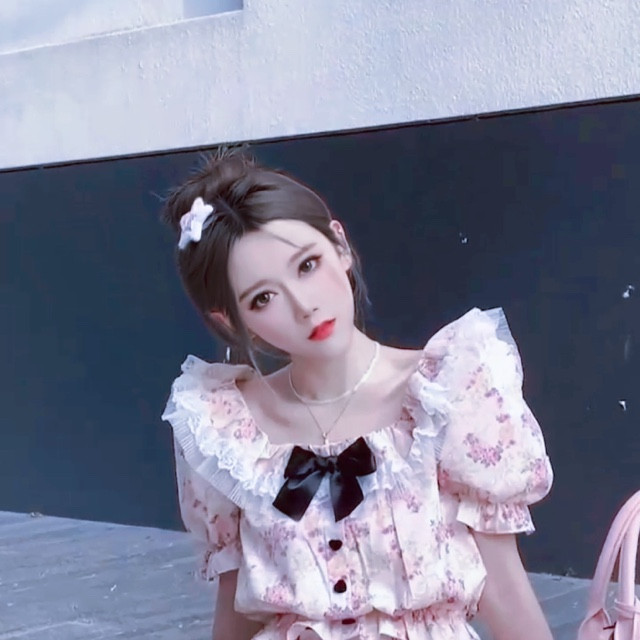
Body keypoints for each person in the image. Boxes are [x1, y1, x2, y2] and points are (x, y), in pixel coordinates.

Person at [159, 147, 554, 640]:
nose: (303, 305)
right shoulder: (228, 432)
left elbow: (505, 587)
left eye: (307, 265)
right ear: (230, 321)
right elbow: (236, 606)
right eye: (263, 298)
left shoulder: (445, 395)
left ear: (340, 245)